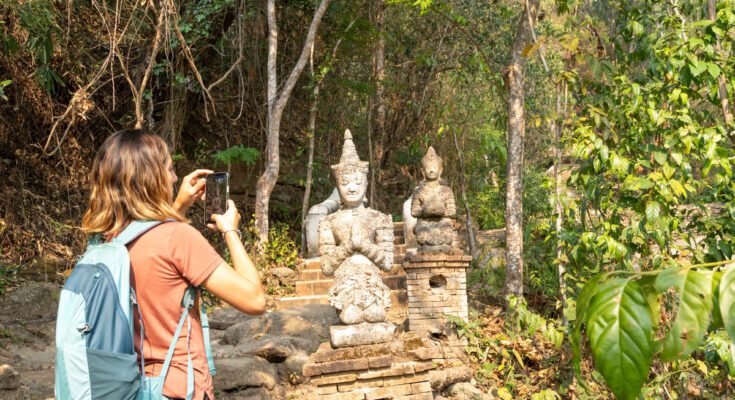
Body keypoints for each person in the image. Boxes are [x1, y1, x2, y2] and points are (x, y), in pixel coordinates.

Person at [80, 129, 266, 400]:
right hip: (178, 387)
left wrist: (177, 205)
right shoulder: (177, 238)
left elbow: (150, 245)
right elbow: (255, 300)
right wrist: (230, 232)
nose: (175, 177)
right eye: (169, 169)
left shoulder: (103, 240)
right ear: (151, 179)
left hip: (125, 385)